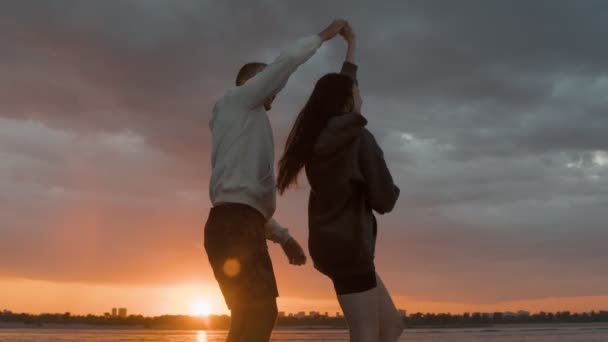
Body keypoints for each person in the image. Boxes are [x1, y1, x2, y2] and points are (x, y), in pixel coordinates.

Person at [204, 19, 348, 342]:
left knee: (249, 315)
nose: (276, 91)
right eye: (267, 80)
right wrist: (323, 36)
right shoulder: (236, 100)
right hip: (234, 226)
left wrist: (283, 238)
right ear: (249, 82)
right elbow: (286, 63)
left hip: (240, 224)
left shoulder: (246, 124)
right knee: (258, 312)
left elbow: (246, 198)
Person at [277, 23, 404, 342]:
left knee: (391, 327)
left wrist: (352, 45)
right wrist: (393, 188)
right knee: (365, 333)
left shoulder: (319, 136)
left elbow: (342, 85)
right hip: (350, 247)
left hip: (333, 245)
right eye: (357, 93)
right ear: (348, 102)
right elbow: (384, 201)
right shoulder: (358, 138)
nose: (361, 95)